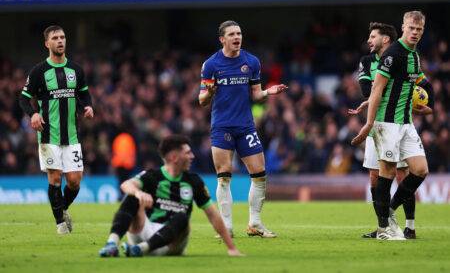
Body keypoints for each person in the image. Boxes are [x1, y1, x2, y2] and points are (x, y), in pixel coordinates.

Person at [198, 20, 287, 238]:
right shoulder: (211, 64)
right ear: (222, 39)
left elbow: (255, 94)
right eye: (232, 34)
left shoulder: (251, 61)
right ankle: (226, 227)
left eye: (239, 33)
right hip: (221, 126)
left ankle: (255, 224)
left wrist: (268, 92)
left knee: (259, 174)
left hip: (246, 126)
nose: (237, 37)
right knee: (224, 176)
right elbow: (202, 100)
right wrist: (209, 92)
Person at [352, 11, 434, 240]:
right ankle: (383, 229)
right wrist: (369, 123)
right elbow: (376, 89)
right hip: (386, 122)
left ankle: (387, 212)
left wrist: (427, 106)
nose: (415, 33)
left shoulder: (415, 56)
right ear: (404, 27)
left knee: (420, 170)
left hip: (406, 123)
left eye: (419, 29)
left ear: (422, 31)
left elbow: (417, 88)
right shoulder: (392, 54)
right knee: (385, 173)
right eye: (411, 28)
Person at [99, 134, 242, 257]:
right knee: (132, 197)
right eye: (187, 153)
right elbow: (126, 185)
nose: (192, 156)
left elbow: (212, 214)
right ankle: (112, 244)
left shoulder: (193, 181)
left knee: (182, 218)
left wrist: (231, 248)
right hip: (144, 231)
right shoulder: (153, 176)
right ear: (174, 157)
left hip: (171, 243)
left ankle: (140, 250)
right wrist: (139, 193)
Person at [19, 25, 94, 235]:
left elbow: (84, 94)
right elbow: (23, 99)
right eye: (55, 38)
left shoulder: (76, 70)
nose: (60, 41)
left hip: (72, 134)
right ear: (47, 43)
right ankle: (61, 224)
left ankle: (62, 209)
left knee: (74, 181)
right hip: (48, 134)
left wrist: (88, 106)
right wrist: (33, 114)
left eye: (62, 37)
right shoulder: (38, 71)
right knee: (55, 178)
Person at [349, 22, 413, 239]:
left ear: (386, 39)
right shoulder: (367, 61)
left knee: (403, 174)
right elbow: (367, 90)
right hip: (376, 125)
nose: (369, 40)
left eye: (373, 36)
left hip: (397, 122)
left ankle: (410, 226)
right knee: (375, 177)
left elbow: (413, 85)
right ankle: (382, 227)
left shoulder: (402, 58)